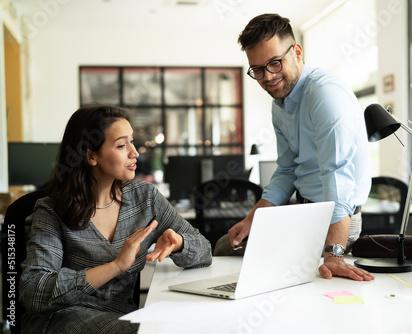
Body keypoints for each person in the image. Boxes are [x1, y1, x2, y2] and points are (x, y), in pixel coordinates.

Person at [19, 105, 212, 334]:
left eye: (132, 141)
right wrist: (115, 266)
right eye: (122, 145)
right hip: (61, 318)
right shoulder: (52, 212)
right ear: (91, 155)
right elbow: (33, 291)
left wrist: (179, 243)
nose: (135, 153)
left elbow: (205, 250)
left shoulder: (145, 198)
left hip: (121, 316)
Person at [218, 13, 374, 282]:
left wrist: (334, 253)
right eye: (258, 70)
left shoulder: (325, 95)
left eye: (275, 63)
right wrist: (252, 218)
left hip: (337, 220)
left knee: (244, 260)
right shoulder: (281, 103)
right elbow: (287, 169)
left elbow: (338, 177)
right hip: (304, 213)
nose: (268, 77)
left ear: (297, 52)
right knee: (226, 245)